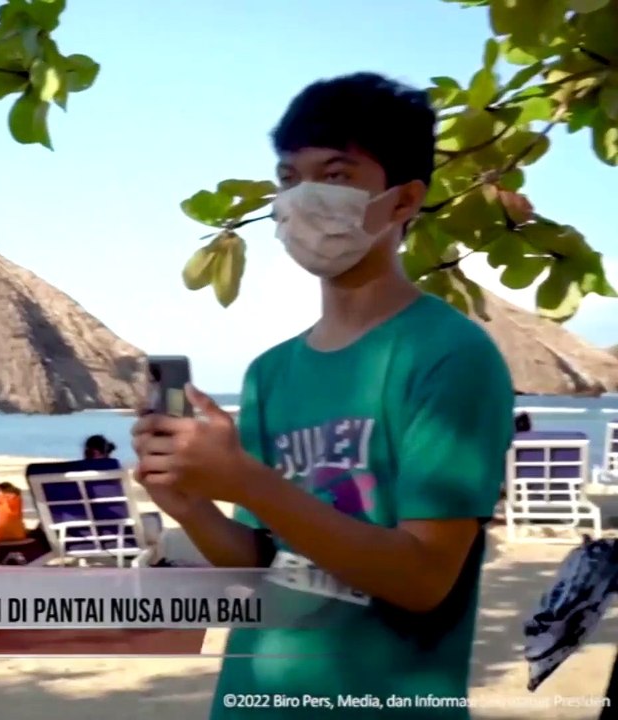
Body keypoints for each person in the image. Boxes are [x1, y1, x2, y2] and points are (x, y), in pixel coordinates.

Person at [132, 73, 514, 718]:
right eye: (289, 178)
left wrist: (246, 480)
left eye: (335, 176)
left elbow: (422, 579)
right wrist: (191, 506)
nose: (303, 199)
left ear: (404, 199)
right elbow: (263, 563)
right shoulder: (271, 372)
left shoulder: (450, 356)